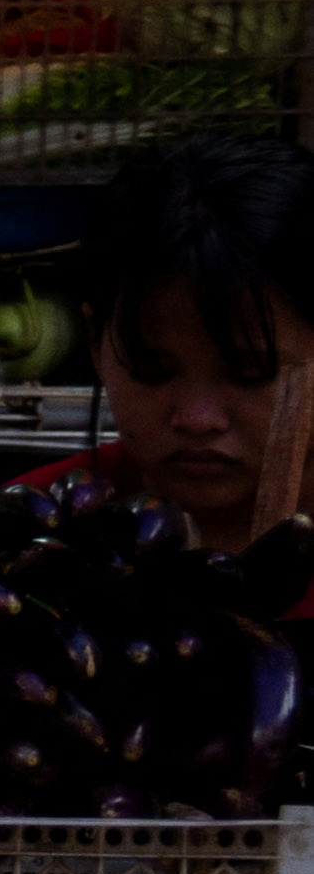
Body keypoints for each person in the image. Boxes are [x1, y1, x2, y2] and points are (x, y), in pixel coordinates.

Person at [21, 126, 314, 555]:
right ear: (95, 346)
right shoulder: (20, 540)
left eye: (252, 374)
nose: (197, 419)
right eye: (150, 370)